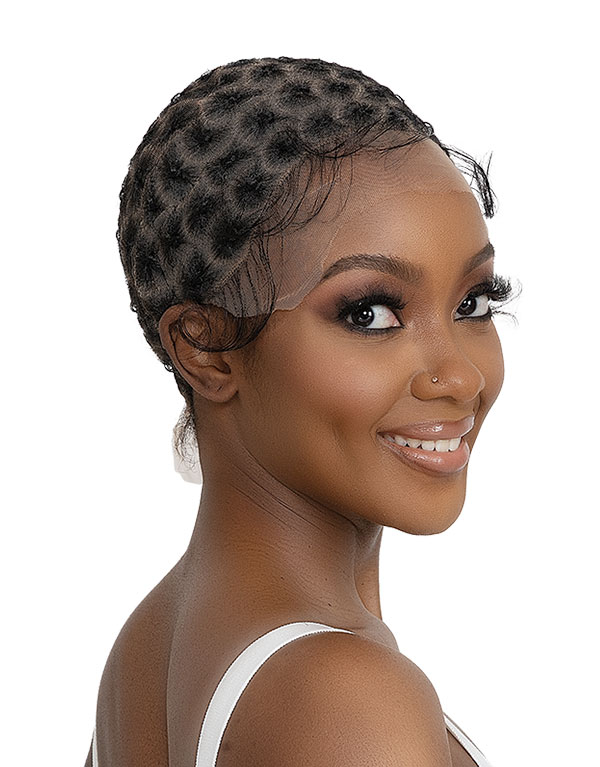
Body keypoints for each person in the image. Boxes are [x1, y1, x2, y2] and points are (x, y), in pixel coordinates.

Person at [85, 56, 517, 767]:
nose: (461, 376)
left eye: (473, 302)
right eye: (371, 313)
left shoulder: (146, 649)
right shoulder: (349, 703)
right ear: (206, 347)